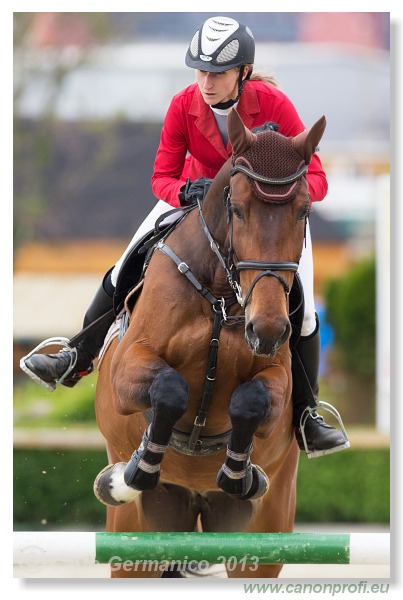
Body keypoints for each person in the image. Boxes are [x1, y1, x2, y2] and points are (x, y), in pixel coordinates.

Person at [21, 16, 349, 458]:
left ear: (243, 73)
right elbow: (161, 176)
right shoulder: (183, 105)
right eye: (201, 71)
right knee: (125, 266)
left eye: (217, 73)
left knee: (304, 310)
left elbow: (317, 178)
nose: (206, 82)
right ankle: (76, 356)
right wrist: (184, 191)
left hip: (264, 219)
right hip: (192, 205)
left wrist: (284, 195)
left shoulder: (273, 103)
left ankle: (308, 414)